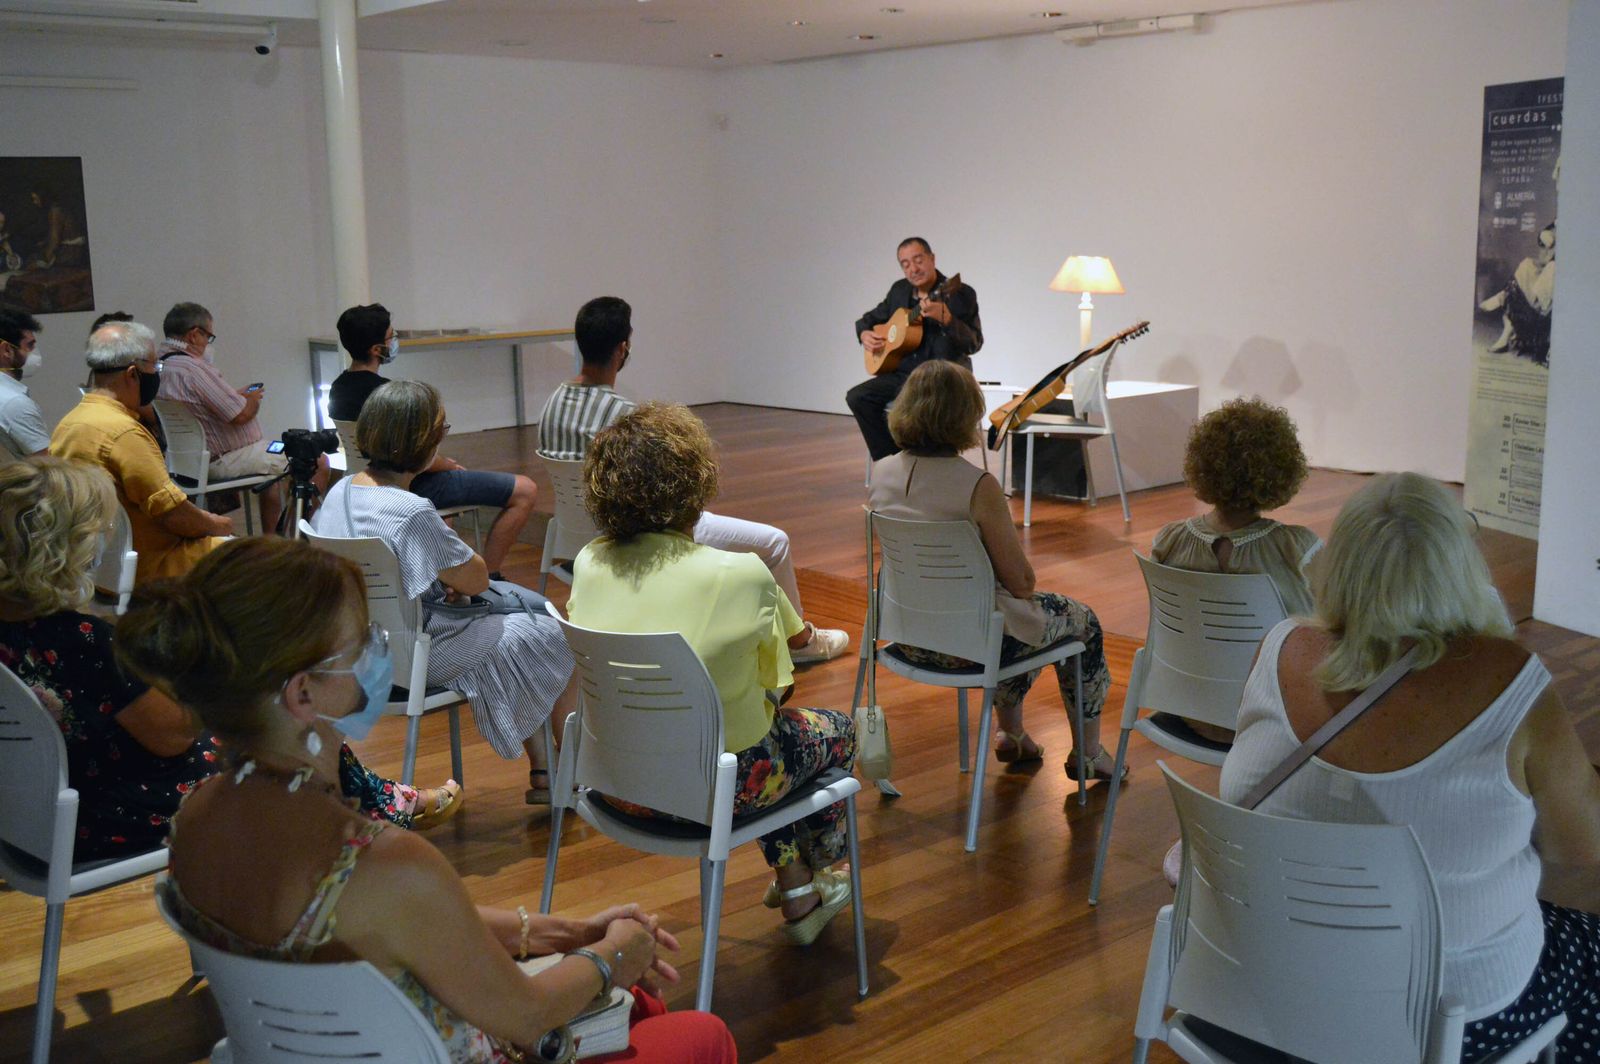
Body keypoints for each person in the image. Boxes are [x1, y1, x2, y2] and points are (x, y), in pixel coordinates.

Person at [117, 537, 736, 1063]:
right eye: (359, 643)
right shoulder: (379, 862)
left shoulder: (195, 817)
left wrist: (569, 933)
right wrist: (617, 952)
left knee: (641, 1005)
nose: (377, 654)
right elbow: (524, 1016)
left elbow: (401, 925)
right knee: (702, 1033)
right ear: (304, 693)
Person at [1218, 472, 1600, 1063]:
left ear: (1338, 564)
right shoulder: (1513, 684)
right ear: (1460, 565)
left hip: (1259, 986)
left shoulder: (1279, 647)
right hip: (1438, 1026)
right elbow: (1582, 848)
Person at [0, 457, 456, 862]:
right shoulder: (78, 639)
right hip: (103, 813)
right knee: (284, 724)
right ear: (66, 549)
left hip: (24, 814)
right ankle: (358, 835)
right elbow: (172, 736)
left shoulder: (33, 633)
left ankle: (372, 809)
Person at [567, 403, 858, 946]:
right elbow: (780, 685)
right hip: (713, 793)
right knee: (828, 733)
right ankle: (822, 875)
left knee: (751, 745)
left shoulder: (589, 561)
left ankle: (796, 886)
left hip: (615, 783)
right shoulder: (742, 574)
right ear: (694, 481)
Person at [539, 296, 848, 664]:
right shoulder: (625, 419)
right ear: (623, 348)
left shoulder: (551, 405)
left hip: (575, 542)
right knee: (775, 543)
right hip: (638, 539)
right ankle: (798, 644)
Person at [311, 380, 576, 805]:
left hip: (357, 651)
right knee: (554, 633)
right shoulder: (411, 511)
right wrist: (449, 550)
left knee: (522, 625)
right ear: (424, 442)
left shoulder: (341, 492)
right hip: (415, 658)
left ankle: (548, 771)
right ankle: (568, 776)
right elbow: (476, 579)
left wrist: (437, 562)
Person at [867, 360, 1114, 777]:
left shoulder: (881, 472)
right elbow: (1021, 583)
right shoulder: (977, 485)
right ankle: (1088, 754)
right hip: (971, 648)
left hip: (906, 636)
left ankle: (1013, 735)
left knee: (1010, 619)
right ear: (965, 415)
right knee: (1078, 621)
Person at [327, 303, 538, 577]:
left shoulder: (337, 389)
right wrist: (446, 464)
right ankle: (491, 575)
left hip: (364, 481)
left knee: (447, 514)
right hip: (410, 484)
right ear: (377, 349)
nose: (395, 342)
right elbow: (411, 454)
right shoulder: (389, 396)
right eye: (392, 337)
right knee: (525, 489)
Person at [51, 321, 232, 582]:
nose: (156, 375)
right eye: (155, 367)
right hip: (151, 564)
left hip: (97, 567)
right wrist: (217, 523)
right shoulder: (123, 433)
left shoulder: (69, 423)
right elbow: (175, 516)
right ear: (133, 374)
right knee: (253, 559)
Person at [155, 302, 326, 534]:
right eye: (208, 337)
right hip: (227, 458)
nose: (208, 344)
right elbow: (240, 414)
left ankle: (271, 539)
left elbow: (198, 405)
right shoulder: (193, 369)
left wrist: (236, 396)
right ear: (194, 335)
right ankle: (295, 534)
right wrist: (252, 399)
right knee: (317, 459)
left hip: (187, 461)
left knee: (270, 470)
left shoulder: (159, 363)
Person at [846, 237, 983, 463]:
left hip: (944, 378)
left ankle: (930, 470)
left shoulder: (959, 294)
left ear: (932, 258)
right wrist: (864, 334)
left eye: (918, 260)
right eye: (905, 264)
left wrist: (947, 319)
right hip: (905, 376)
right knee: (858, 397)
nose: (913, 269)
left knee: (927, 408)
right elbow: (868, 320)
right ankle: (892, 462)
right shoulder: (899, 291)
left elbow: (974, 344)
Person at [1480, 223, 1555, 365]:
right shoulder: (1557, 224)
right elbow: (1543, 243)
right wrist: (1547, 235)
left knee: (1550, 270)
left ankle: (1502, 297)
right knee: (1527, 264)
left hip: (1560, 273)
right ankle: (1503, 297)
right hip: (1549, 266)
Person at [0, 308, 48, 457]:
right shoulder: (14, 403)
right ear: (7, 350)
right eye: (30, 345)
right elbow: (49, 467)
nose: (35, 352)